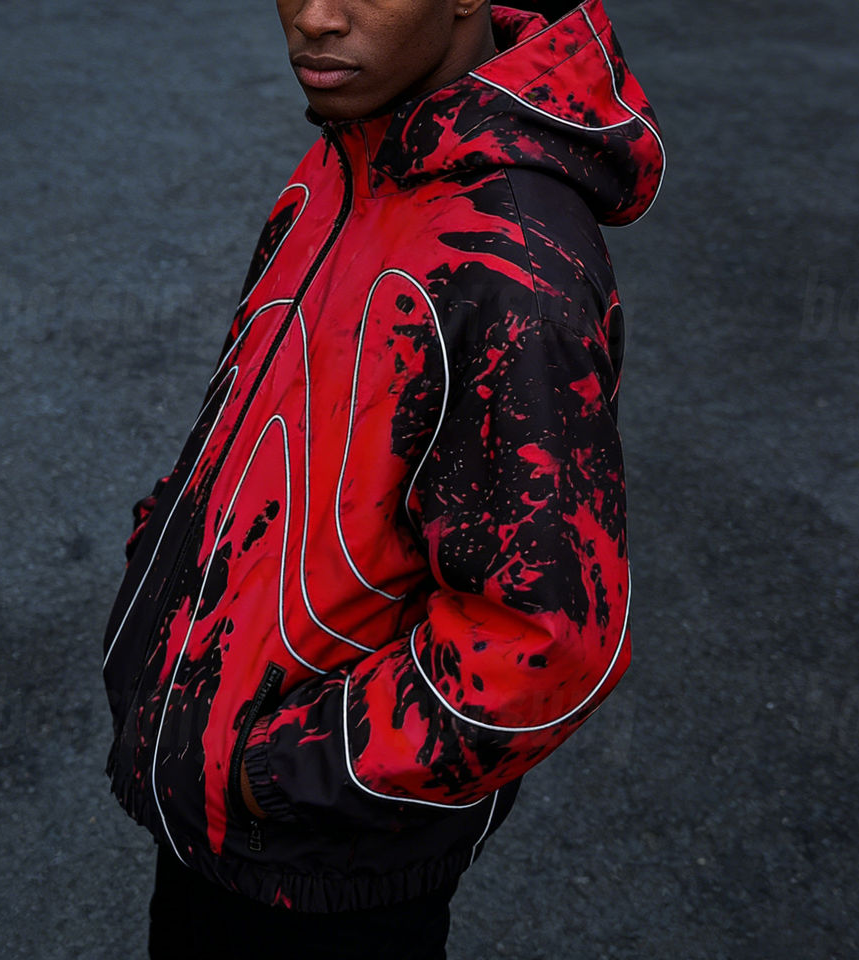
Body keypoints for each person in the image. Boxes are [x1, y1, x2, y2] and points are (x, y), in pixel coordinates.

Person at [102, 0, 664, 957]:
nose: (315, 18)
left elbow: (548, 643)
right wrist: (162, 551)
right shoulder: (349, 156)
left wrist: (281, 771)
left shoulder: (512, 271)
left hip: (321, 863)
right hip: (217, 779)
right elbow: (259, 409)